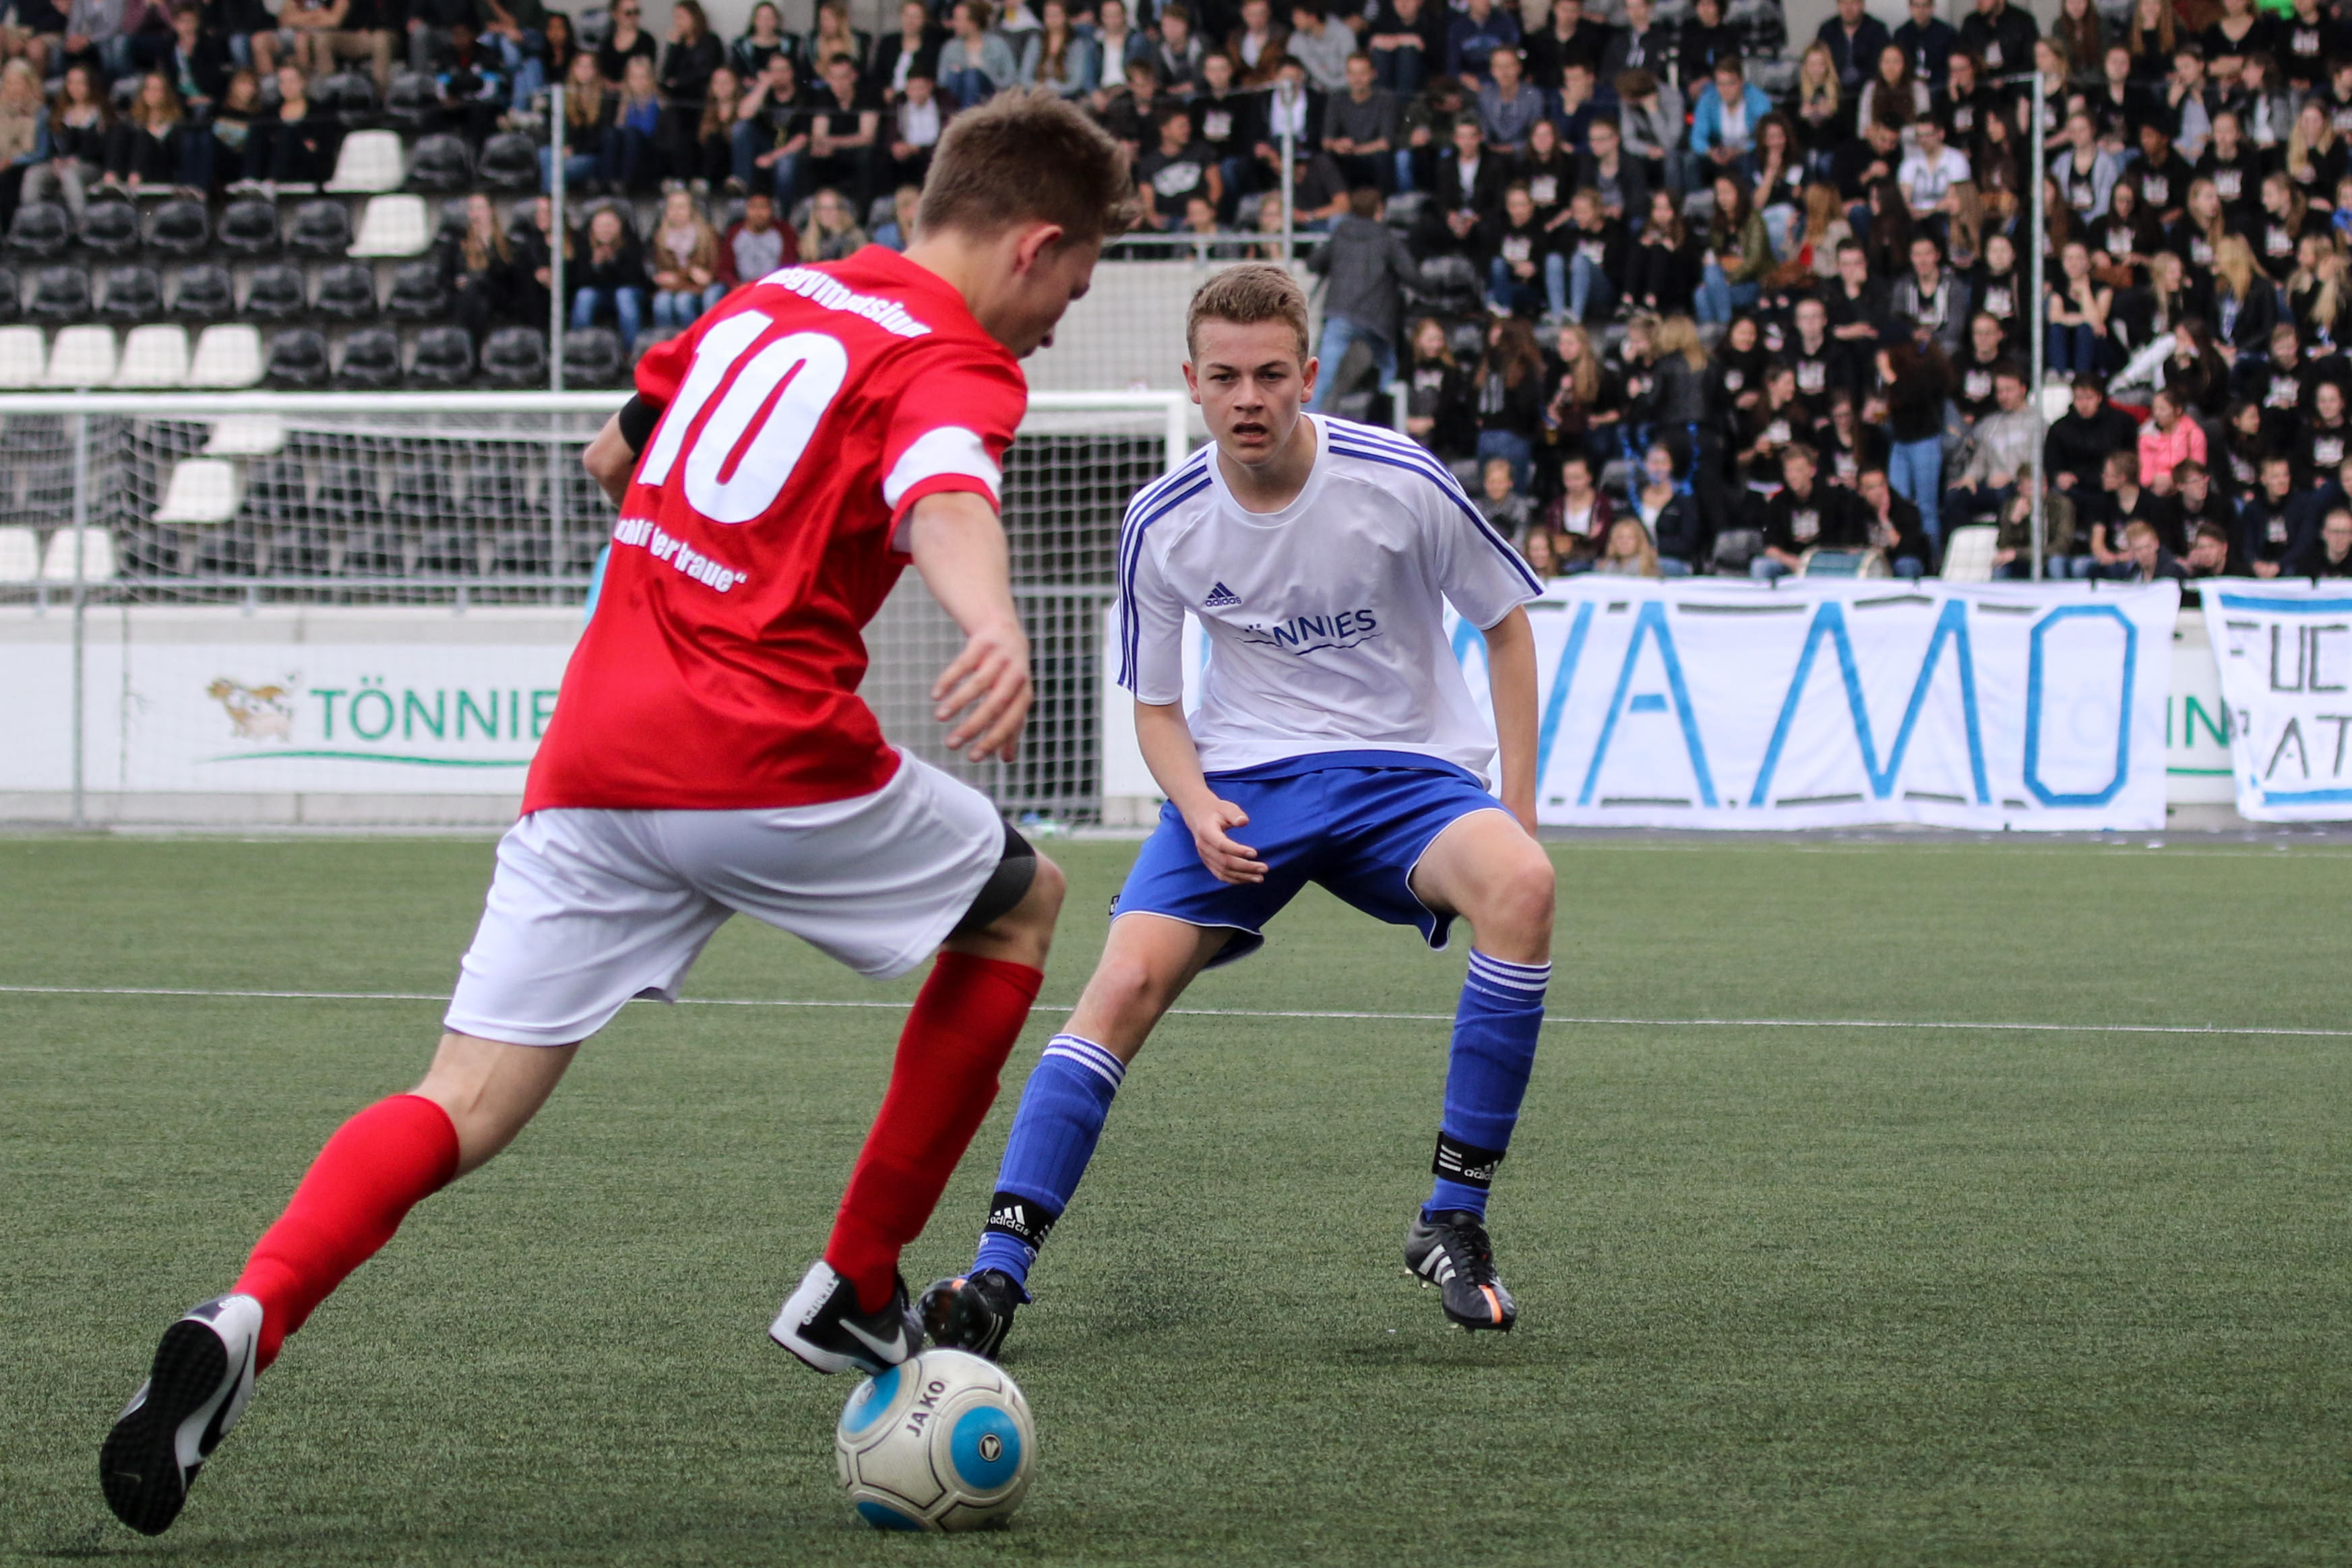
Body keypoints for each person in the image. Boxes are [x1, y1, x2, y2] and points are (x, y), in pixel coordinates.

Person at [98, 89, 1134, 1540]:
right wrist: (995, 621)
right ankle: (856, 1278)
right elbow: (944, 491)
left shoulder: (769, 296)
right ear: (1033, 245)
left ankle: (246, 1311)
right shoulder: (947, 353)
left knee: (459, 1098)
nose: (1055, 326)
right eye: (1071, 290)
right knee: (1023, 903)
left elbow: (612, 455)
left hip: (592, 752)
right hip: (759, 748)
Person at [924, 263, 1553, 1360]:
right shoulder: (1161, 521)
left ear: (1307, 375)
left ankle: (1451, 1217)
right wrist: (1196, 804)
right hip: (1243, 787)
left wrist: (1520, 807)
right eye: (1225, 377)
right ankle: (995, 1274)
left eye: (1269, 374)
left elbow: (1505, 625)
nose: (1248, 397)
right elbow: (1157, 708)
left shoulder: (1399, 479)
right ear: (1193, 382)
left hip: (1404, 774)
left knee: (1524, 885)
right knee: (1120, 985)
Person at [1306, 185, 1419, 412]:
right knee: (1387, 367)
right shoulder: (1387, 238)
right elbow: (1411, 275)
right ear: (1379, 210)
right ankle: (1388, 417)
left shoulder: (1341, 233)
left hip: (1340, 313)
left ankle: (1306, 421)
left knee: (1323, 376)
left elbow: (1313, 263)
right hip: (1375, 319)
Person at [1755, 442, 1862, 579]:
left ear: (1812, 471)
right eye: (1789, 471)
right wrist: (1794, 562)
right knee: (1760, 566)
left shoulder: (1831, 498)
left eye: (1798, 470)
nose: (1793, 476)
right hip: (1792, 563)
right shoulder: (1778, 502)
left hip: (1825, 562)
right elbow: (1770, 548)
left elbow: (1845, 543)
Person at [441, 189, 517, 344]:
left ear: (491, 212)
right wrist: (455, 283)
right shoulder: (457, 243)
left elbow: (508, 278)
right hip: (468, 299)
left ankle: (469, 347)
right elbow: (444, 277)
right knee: (472, 294)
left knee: (478, 288)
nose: (475, 214)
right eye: (472, 209)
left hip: (496, 297)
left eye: (480, 209)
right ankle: (472, 346)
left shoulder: (504, 244)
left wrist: (486, 247)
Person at [648, 185, 726, 333]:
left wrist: (682, 277)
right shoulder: (658, 236)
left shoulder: (708, 234)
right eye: (672, 207)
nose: (676, 212)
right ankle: (667, 341)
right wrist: (659, 277)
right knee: (661, 303)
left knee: (683, 302)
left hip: (700, 288)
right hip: (672, 287)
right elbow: (656, 269)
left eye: (682, 207)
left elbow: (714, 269)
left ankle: (692, 339)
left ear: (691, 210)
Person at [569, 203, 648, 347]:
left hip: (628, 292)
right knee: (585, 296)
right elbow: (578, 281)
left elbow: (636, 279)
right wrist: (596, 264)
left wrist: (614, 260)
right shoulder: (584, 244)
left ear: (619, 226)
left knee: (624, 296)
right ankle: (578, 346)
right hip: (599, 294)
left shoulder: (631, 242)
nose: (605, 230)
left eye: (610, 225)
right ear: (593, 228)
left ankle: (631, 350)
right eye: (600, 226)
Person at [2288, 507, 2352, 575]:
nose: (2340, 537)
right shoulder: (2309, 563)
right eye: (2335, 532)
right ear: (2324, 533)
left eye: (2345, 532)